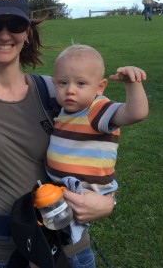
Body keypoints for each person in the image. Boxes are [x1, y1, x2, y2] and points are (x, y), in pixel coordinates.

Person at [0, 0, 115, 268]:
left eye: (15, 24)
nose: (4, 34)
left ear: (27, 33)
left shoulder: (55, 91)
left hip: (70, 249)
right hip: (4, 254)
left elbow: (96, 148)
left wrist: (107, 201)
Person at [46, 44, 149, 195]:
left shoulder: (97, 109)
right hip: (63, 189)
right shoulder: (65, 110)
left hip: (87, 192)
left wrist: (132, 85)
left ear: (100, 87)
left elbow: (135, 114)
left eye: (81, 83)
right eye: (63, 83)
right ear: (54, 84)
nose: (70, 90)